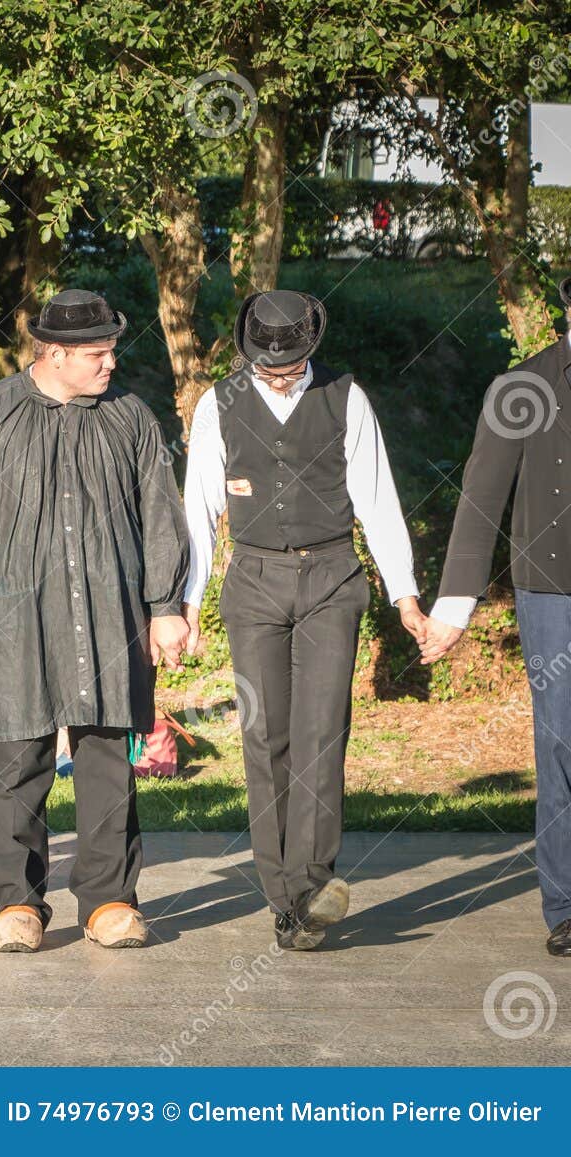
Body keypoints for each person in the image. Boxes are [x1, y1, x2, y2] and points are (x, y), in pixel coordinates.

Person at [0, 289, 190, 954]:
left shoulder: (132, 418)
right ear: (52, 353)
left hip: (107, 612)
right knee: (17, 758)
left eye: (112, 349)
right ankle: (18, 904)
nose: (110, 363)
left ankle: (109, 899)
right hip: (13, 613)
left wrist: (165, 606)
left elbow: (161, 515)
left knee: (107, 755)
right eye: (96, 353)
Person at [182, 290, 427, 951]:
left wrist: (404, 594)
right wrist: (186, 603)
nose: (278, 374)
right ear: (249, 354)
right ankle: (284, 898)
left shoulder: (346, 398)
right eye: (266, 366)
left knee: (322, 734)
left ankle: (313, 883)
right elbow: (198, 510)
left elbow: (379, 499)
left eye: (288, 365)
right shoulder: (219, 404)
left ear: (310, 350)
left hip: (330, 577)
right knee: (266, 739)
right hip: (254, 581)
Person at [422, 274, 571, 959]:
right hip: (553, 594)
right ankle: (567, 904)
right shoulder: (523, 386)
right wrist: (454, 607)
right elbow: (481, 498)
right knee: (562, 745)